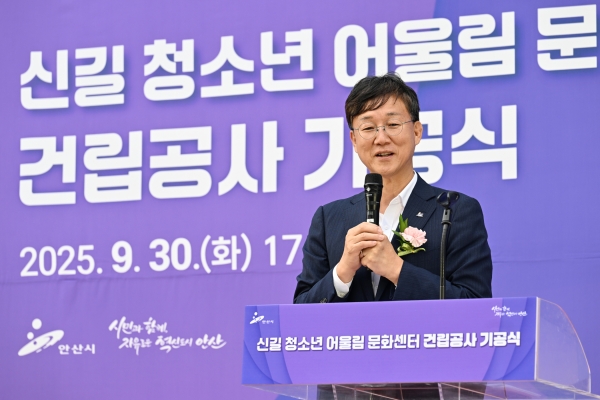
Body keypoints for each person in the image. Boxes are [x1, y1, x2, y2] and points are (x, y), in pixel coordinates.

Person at [294, 73, 492, 304]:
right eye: (368, 127)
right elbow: (300, 312)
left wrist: (397, 270)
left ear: (417, 131)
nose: (381, 138)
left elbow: (475, 303)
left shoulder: (454, 211)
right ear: (354, 140)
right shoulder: (329, 219)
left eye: (393, 125)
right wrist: (342, 272)